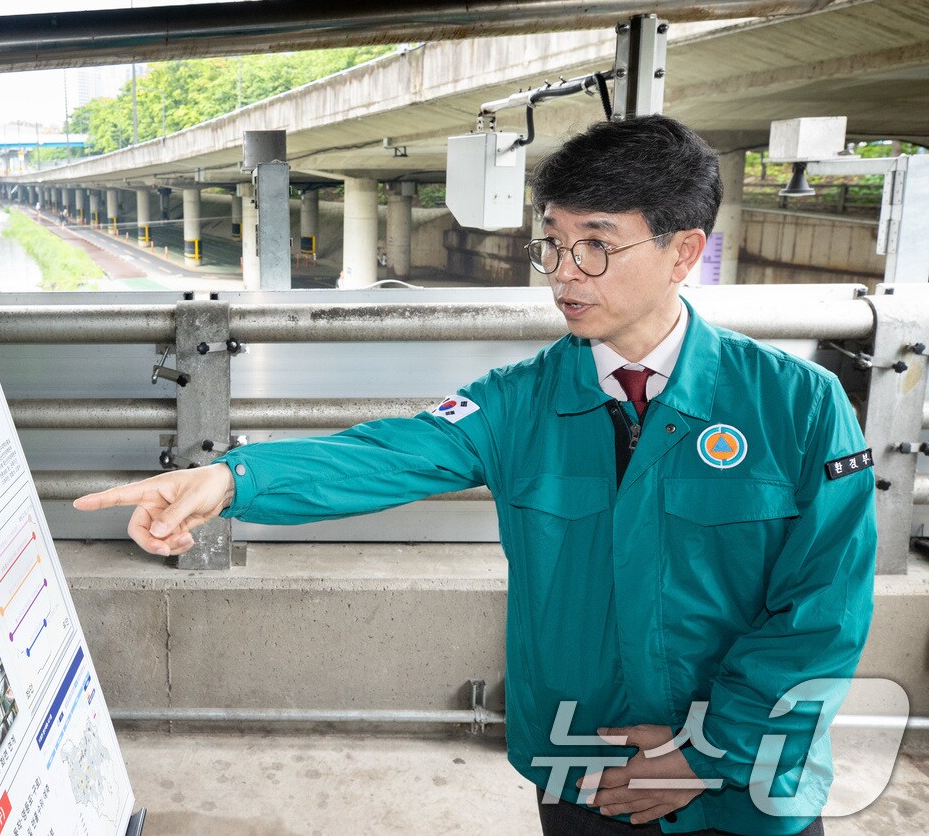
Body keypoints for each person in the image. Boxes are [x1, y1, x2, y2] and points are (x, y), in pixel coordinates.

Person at [74, 115, 876, 836]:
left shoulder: (797, 405)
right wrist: (230, 478)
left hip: (741, 788)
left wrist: (711, 751)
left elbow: (823, 608)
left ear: (684, 253)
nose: (564, 273)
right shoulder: (519, 400)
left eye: (597, 243)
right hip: (583, 765)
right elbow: (387, 453)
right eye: (553, 242)